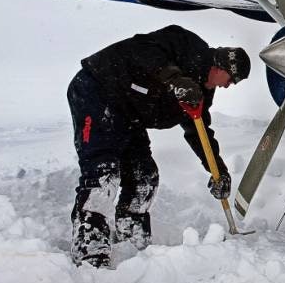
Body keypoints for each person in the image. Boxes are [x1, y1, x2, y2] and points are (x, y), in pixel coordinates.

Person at [67, 25, 250, 267]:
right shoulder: (186, 44)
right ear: (222, 67)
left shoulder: (200, 95)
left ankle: (131, 237)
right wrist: (175, 79)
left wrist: (219, 170)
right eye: (231, 80)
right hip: (99, 89)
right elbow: (141, 48)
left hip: (130, 115)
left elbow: (200, 132)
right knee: (103, 172)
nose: (228, 86)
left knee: (145, 176)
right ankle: (90, 247)